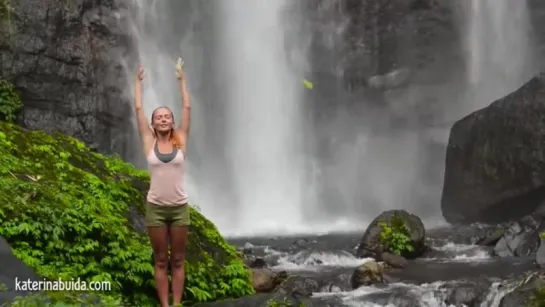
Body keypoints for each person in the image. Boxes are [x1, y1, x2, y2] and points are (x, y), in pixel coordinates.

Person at [134, 58, 191, 307]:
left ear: (172, 121)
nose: (164, 119)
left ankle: (176, 304)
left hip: (179, 208)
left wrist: (181, 80)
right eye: (159, 117)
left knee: (178, 260)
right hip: (155, 208)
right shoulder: (149, 140)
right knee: (160, 260)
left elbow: (187, 107)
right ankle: (164, 305)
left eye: (168, 116)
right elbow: (138, 109)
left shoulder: (181, 139)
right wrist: (138, 83)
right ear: (153, 123)